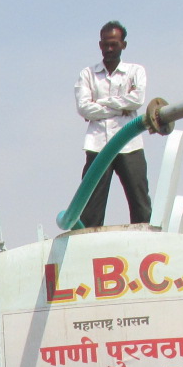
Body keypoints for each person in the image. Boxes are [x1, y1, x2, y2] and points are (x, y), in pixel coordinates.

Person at [74, 21, 150, 228]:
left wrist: (100, 105)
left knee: (139, 199)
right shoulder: (87, 74)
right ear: (100, 45)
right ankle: (89, 244)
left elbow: (137, 100)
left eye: (114, 44)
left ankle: (144, 239)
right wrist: (119, 106)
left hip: (129, 144)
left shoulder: (135, 71)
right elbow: (83, 108)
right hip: (98, 145)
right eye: (105, 44)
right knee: (91, 205)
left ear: (123, 45)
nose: (109, 49)